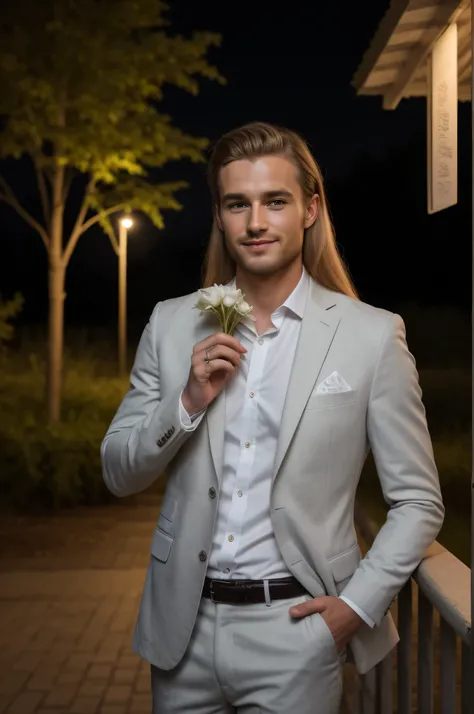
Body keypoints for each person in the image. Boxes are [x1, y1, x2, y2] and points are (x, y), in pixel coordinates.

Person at [101, 121, 444, 713]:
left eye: (274, 201)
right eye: (238, 204)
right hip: (182, 630)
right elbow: (118, 472)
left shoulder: (370, 335)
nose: (255, 222)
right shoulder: (171, 323)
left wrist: (353, 609)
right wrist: (185, 402)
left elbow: (418, 501)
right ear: (219, 215)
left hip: (297, 632)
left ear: (310, 209)